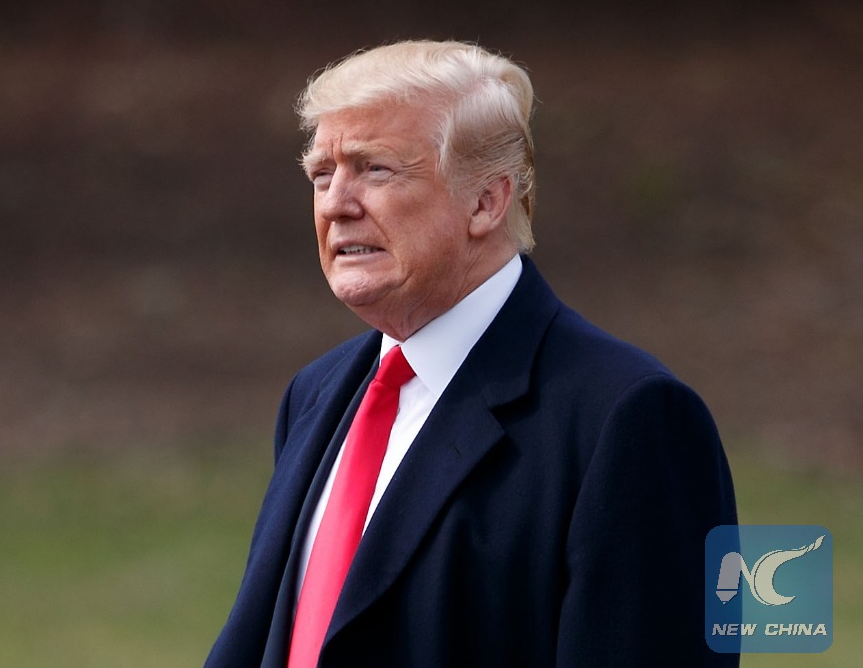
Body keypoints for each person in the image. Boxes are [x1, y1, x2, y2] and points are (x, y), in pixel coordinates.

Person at [206, 40, 738, 667]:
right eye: (323, 174)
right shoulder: (315, 393)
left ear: (487, 201)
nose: (335, 204)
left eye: (375, 169)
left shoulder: (629, 416)